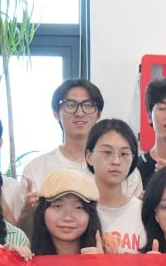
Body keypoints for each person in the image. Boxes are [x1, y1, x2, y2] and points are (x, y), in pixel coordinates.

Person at [12, 78, 117, 220]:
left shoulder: (117, 166)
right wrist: (26, 214)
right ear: (56, 113)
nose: (80, 113)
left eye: (88, 105)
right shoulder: (36, 169)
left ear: (98, 113)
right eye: (70, 105)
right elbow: (22, 230)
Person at [86, 118, 147, 252]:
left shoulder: (143, 211)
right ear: (89, 156)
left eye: (124, 154)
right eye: (107, 152)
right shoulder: (80, 211)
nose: (116, 161)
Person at [27, 169, 106, 255]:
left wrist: (101, 262)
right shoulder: (28, 257)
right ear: (42, 211)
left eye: (78, 207)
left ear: (91, 214)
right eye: (58, 206)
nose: (68, 218)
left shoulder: (107, 257)